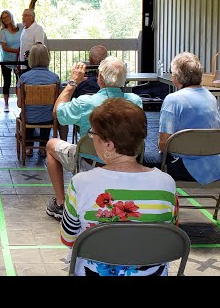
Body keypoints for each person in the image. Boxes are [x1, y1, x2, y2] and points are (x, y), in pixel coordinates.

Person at [61, 98, 179, 276]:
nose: (92, 138)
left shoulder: (81, 183)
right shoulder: (167, 183)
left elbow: (68, 238)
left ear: (109, 144)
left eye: (93, 134)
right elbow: (171, 236)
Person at [45, 57, 143, 221]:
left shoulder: (86, 103)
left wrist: (73, 82)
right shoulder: (135, 102)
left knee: (51, 145)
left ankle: (61, 203)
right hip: (126, 159)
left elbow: (57, 112)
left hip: (90, 160)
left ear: (100, 77)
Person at [158, 52, 220, 184]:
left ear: (176, 77)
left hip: (184, 167)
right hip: (214, 164)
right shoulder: (211, 97)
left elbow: (163, 144)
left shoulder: (173, 100)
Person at [17, 43, 60, 157]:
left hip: (29, 118)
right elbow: (58, 103)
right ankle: (43, 148)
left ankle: (28, 148)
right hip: (48, 118)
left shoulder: (24, 78)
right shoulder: (54, 78)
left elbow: (19, 104)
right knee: (47, 113)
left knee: (26, 114)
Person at [58, 45, 108, 141]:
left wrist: (73, 81)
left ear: (90, 59)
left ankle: (64, 142)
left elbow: (62, 107)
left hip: (82, 121)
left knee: (62, 110)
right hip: (107, 124)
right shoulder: (110, 83)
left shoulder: (81, 80)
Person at [0, 10, 23, 113]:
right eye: (3, 18)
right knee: (7, 82)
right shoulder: (2, 32)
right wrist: (16, 50)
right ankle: (6, 104)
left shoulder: (20, 27)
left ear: (11, 16)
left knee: (20, 81)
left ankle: (20, 102)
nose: (6, 19)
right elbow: (4, 47)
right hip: (7, 59)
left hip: (19, 60)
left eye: (7, 16)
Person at [19, 8, 45, 75]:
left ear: (32, 18)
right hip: (23, 63)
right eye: (22, 15)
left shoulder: (38, 28)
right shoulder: (24, 29)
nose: (23, 18)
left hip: (33, 65)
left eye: (25, 15)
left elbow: (38, 46)